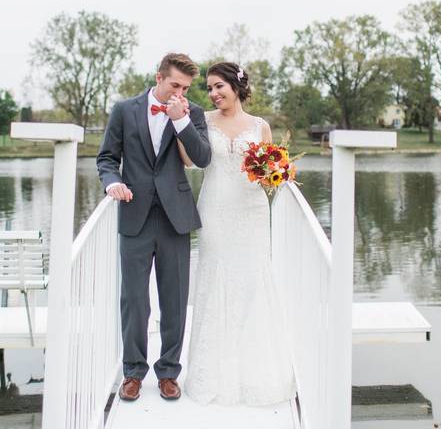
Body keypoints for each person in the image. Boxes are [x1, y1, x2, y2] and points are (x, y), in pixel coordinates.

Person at [96, 52, 212, 402]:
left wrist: (181, 122)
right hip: (135, 212)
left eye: (187, 87)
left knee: (174, 299)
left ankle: (168, 372)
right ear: (158, 77)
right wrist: (111, 182)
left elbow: (203, 158)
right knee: (134, 299)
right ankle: (133, 372)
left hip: (175, 216)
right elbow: (106, 158)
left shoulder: (191, 113)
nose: (181, 92)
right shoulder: (124, 110)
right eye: (175, 84)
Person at [183, 61, 295, 406]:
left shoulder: (260, 126)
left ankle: (254, 372)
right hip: (215, 209)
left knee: (251, 282)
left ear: (236, 86)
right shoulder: (202, 122)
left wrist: (275, 171)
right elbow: (189, 161)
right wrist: (181, 127)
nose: (214, 94)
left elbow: (271, 175)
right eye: (210, 88)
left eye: (220, 86)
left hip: (252, 212)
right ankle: (213, 374)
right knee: (215, 279)